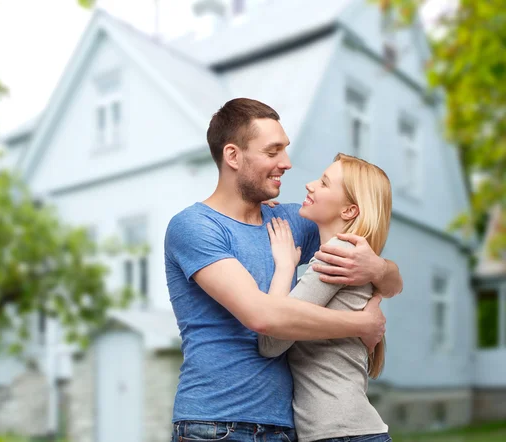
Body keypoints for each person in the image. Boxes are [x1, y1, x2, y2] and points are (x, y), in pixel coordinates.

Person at [164, 98, 402, 442]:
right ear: (233, 156)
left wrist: (378, 267)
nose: (287, 164)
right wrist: (361, 324)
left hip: (288, 428)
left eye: (285, 151)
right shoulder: (195, 227)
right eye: (273, 152)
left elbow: (377, 261)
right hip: (215, 424)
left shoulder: (289, 222)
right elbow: (263, 317)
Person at [259, 153, 393, 442]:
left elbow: (271, 341)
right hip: (349, 431)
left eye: (323, 183)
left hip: (341, 433)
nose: (309, 185)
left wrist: (285, 266)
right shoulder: (353, 256)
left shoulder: (336, 257)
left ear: (349, 211)